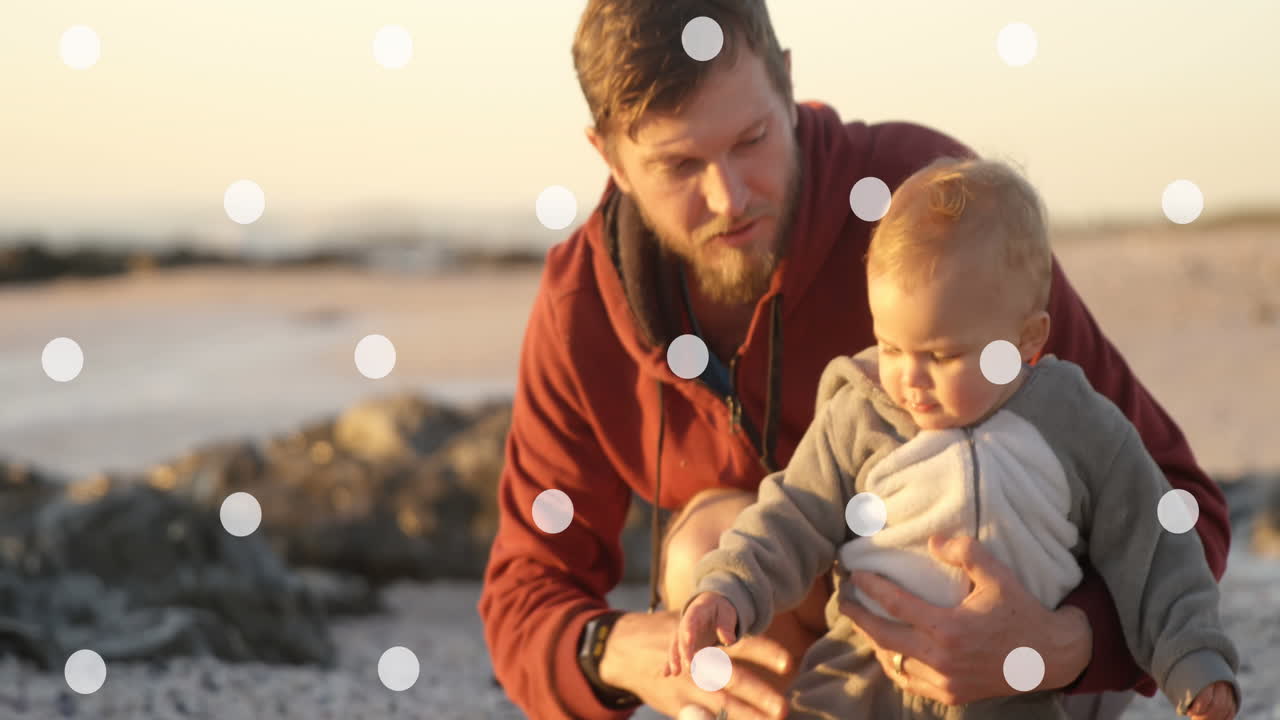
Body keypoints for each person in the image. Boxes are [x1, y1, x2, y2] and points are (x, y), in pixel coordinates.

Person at [477, 2, 1231, 719]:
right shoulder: (583, 308)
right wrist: (608, 648)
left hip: (1036, 649)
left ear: (788, 81)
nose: (730, 196)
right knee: (707, 548)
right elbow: (524, 593)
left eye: (751, 141)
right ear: (606, 154)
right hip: (836, 661)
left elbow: (1179, 503)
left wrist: (1065, 644)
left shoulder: (934, 218)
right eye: (679, 165)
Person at [664, 157, 1240, 720]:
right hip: (860, 686)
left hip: (1013, 699)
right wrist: (729, 588)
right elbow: (791, 515)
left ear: (1026, 338)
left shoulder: (1076, 423)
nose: (908, 378)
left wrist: (1195, 660)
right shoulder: (861, 416)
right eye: (890, 346)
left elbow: (1153, 541)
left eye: (942, 355)